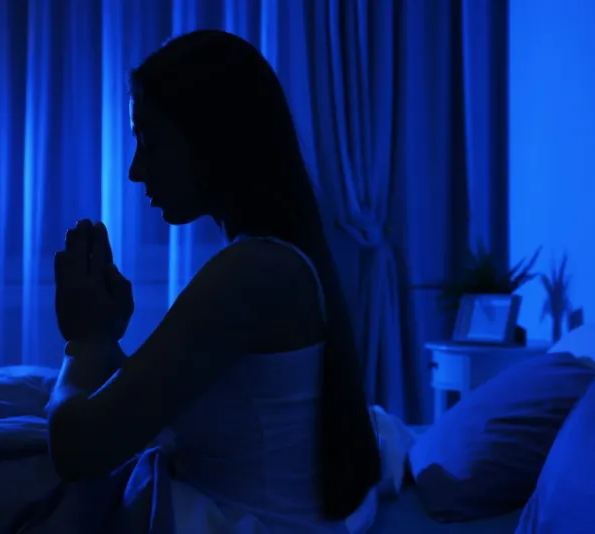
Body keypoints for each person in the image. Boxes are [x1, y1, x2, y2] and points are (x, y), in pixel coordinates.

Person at [46, 30, 382, 532]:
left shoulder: (253, 273)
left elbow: (77, 450)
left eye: (151, 143)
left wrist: (85, 339)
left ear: (213, 139)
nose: (136, 170)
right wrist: (107, 341)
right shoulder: (270, 263)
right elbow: (186, 406)